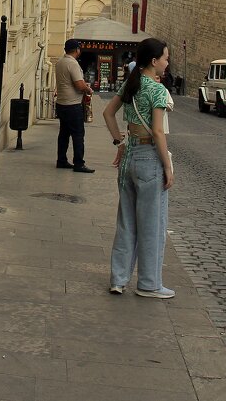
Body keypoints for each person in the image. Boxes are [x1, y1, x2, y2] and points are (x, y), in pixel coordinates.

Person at [103, 37, 175, 299]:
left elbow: (108, 113)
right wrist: (167, 166)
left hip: (129, 155)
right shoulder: (157, 90)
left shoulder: (131, 84)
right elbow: (157, 131)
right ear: (154, 61)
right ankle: (149, 283)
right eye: (165, 58)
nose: (167, 64)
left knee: (126, 222)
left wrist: (118, 141)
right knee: (152, 224)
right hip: (148, 158)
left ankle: (118, 279)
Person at [54, 39, 95, 173]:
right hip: (72, 105)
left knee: (64, 134)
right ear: (77, 50)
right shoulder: (73, 64)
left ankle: (61, 160)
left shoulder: (60, 62)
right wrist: (88, 89)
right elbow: (79, 84)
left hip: (61, 103)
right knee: (78, 135)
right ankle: (79, 163)